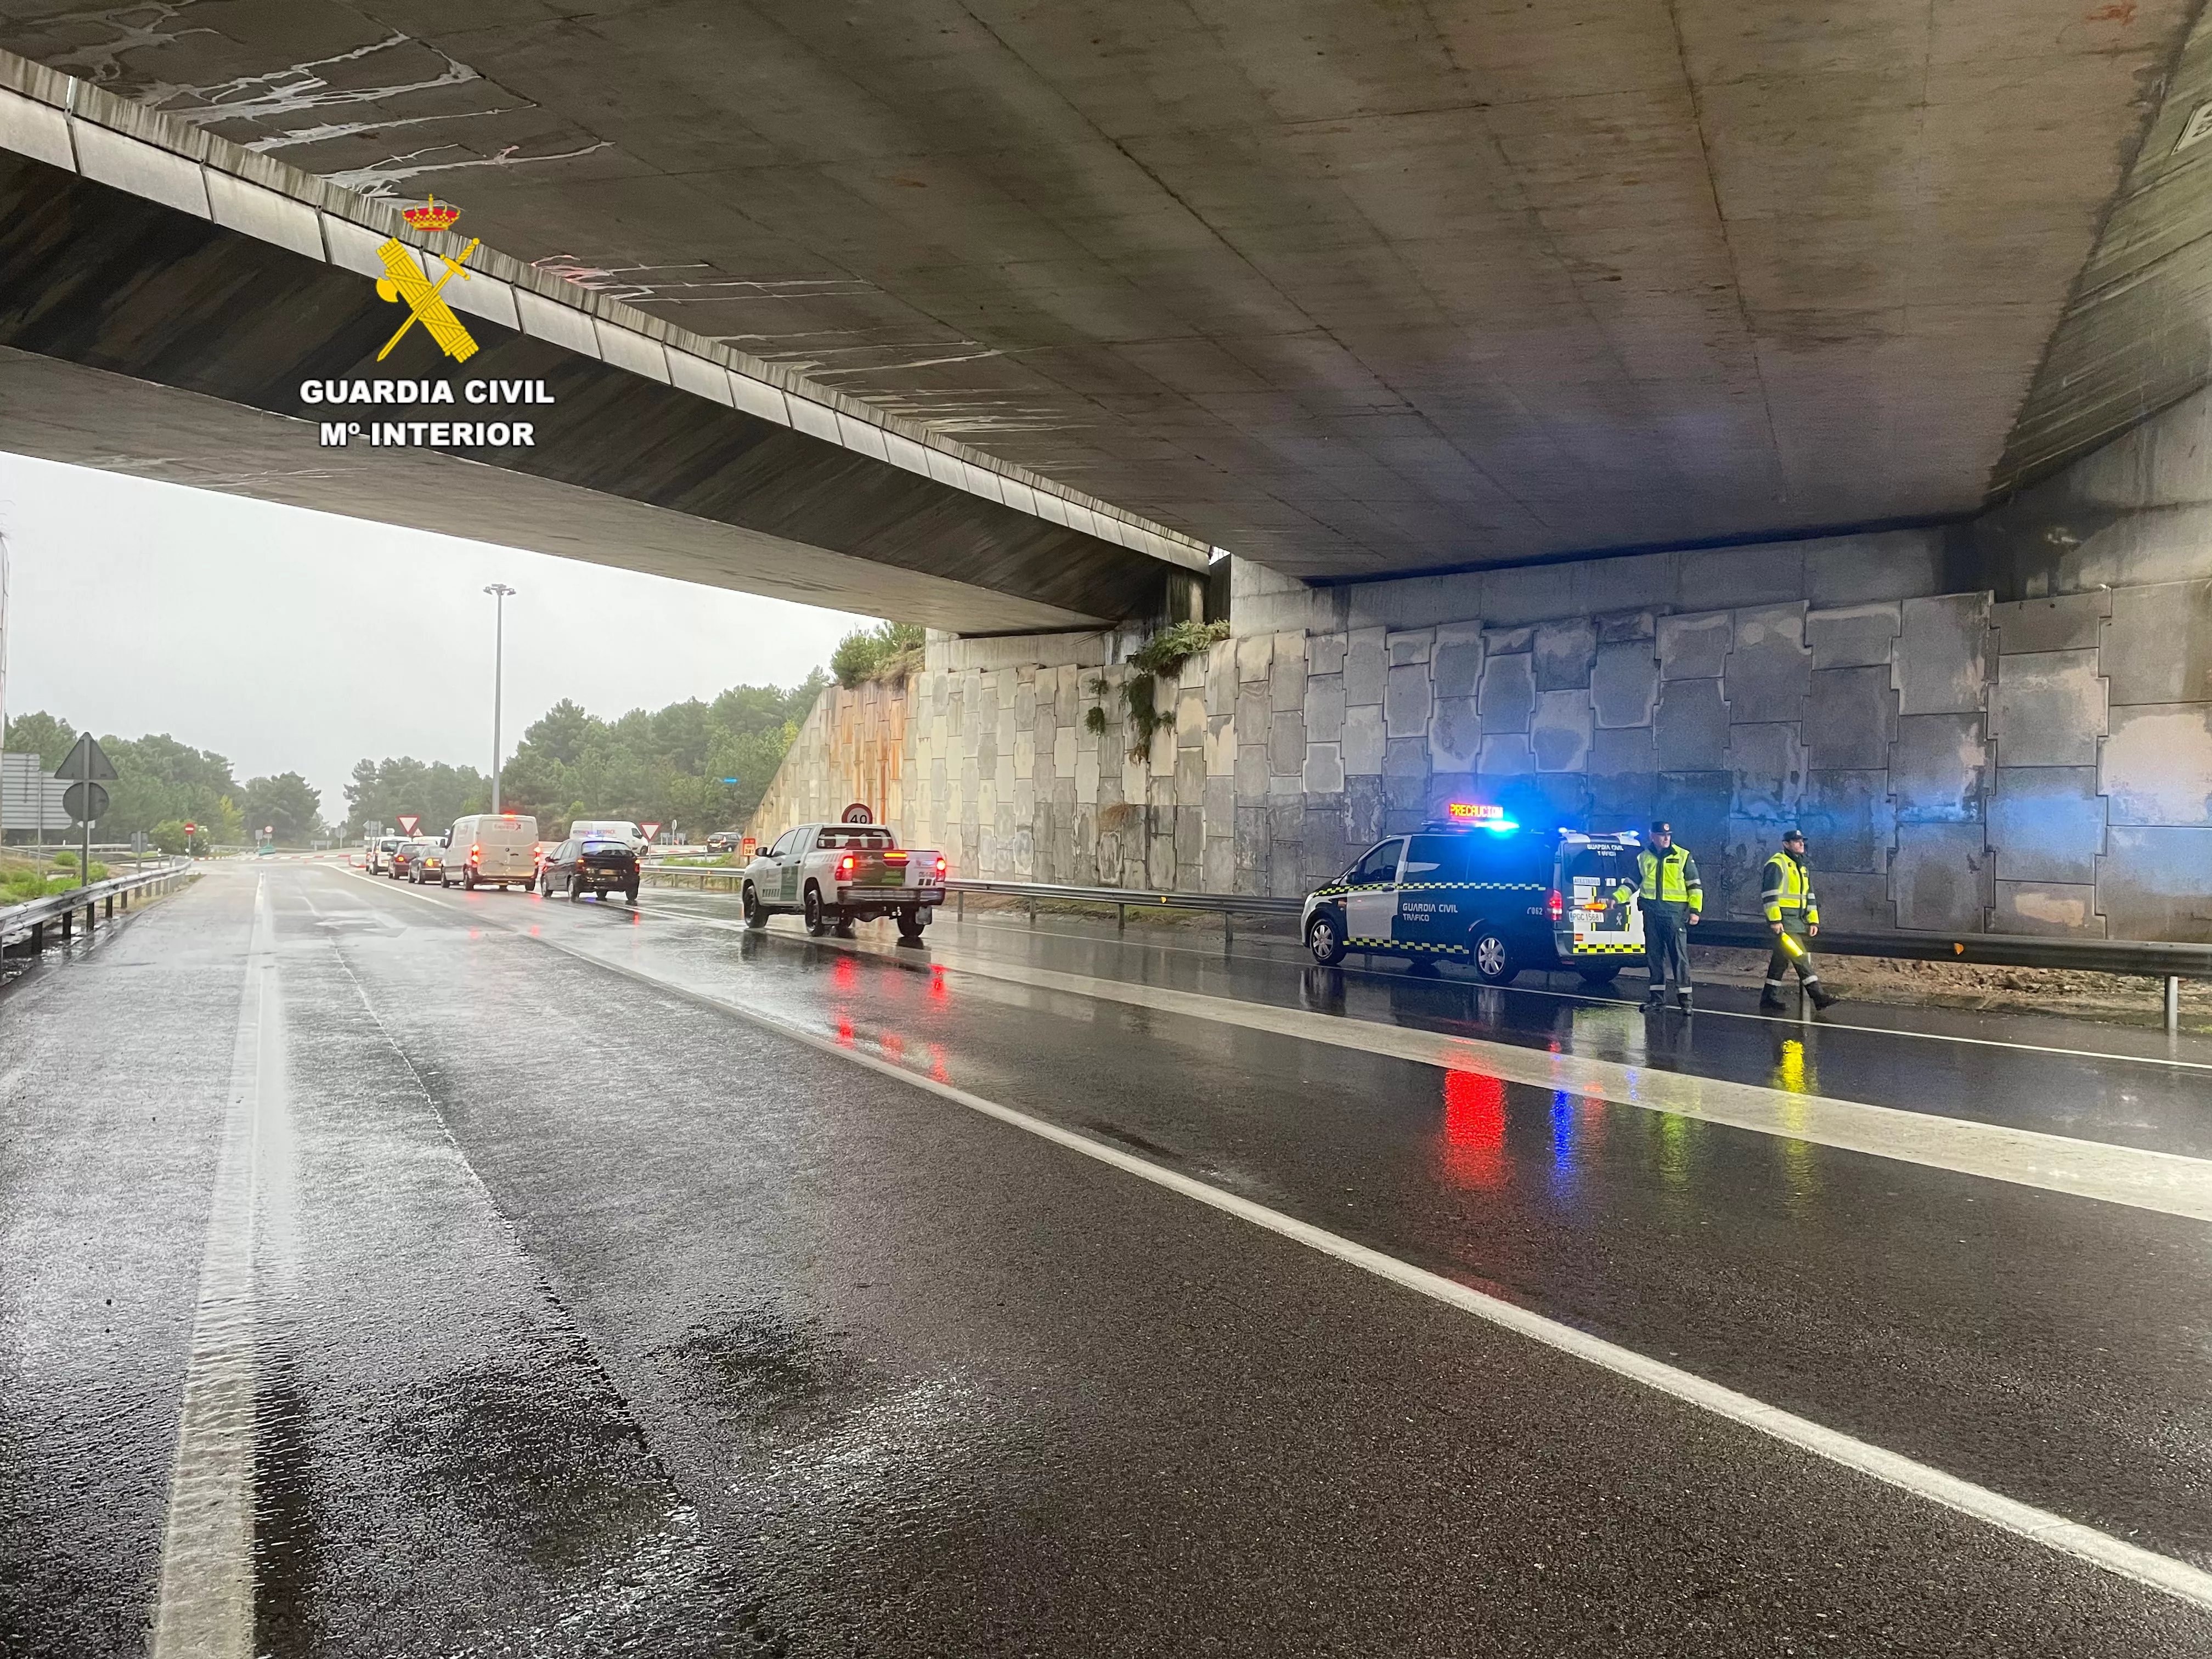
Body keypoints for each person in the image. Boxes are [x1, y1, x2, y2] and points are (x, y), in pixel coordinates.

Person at [1615, 820, 1702, 1011]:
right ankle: (1657, 999)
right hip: (1652, 914)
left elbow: (1694, 886)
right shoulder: (1644, 858)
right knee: (1654, 958)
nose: (1666, 839)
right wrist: (1616, 898)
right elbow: (1631, 884)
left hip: (1674, 914)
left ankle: (1686, 1001)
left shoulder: (1683, 856)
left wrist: (1695, 911)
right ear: (1652, 836)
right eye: (1662, 835)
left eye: (1669, 835)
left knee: (1679, 957)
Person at [1761, 827, 1837, 1011]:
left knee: (1781, 960)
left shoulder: (1801, 866)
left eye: (1802, 841)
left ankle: (1768, 998)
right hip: (1785, 923)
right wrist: (1775, 920)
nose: (1801, 844)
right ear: (1786, 844)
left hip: (1797, 922)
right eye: (1796, 841)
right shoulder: (1777, 864)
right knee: (1800, 956)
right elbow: (1769, 895)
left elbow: (1809, 896)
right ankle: (1818, 996)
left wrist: (1813, 921)